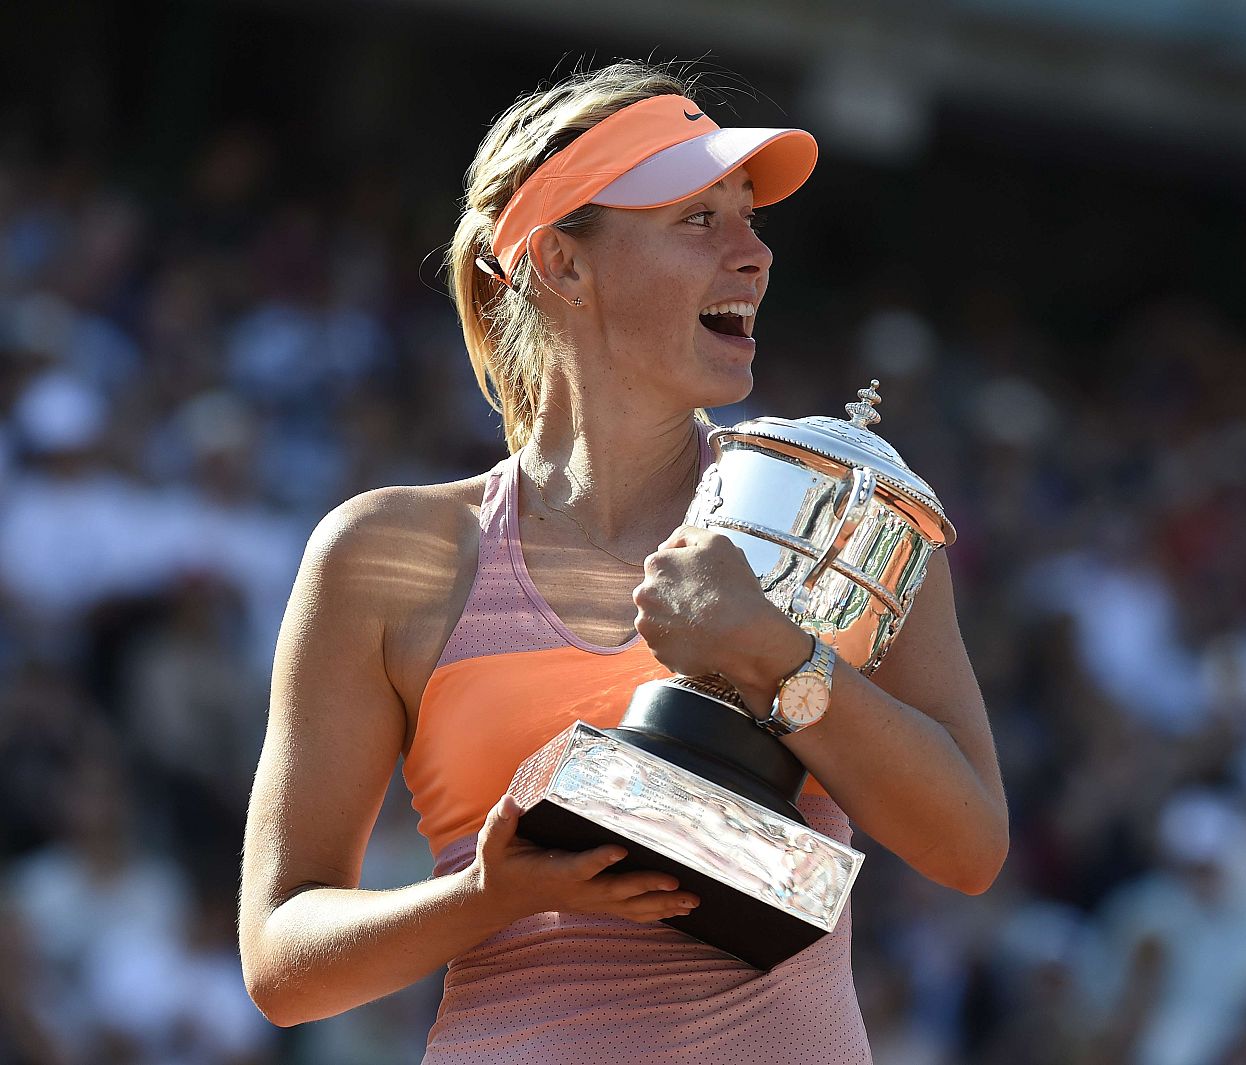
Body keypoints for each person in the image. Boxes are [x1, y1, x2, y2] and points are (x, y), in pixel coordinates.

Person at [238, 60, 1008, 1063]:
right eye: (699, 219)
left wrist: (778, 657)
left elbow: (969, 849)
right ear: (562, 263)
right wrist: (487, 893)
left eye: (750, 216)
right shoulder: (383, 556)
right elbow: (281, 961)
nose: (755, 255)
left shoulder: (839, 515)